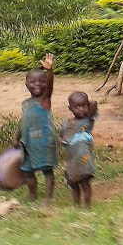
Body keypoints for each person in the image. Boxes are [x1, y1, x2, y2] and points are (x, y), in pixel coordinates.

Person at [13, 53, 58, 205]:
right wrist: (16, 137)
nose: (37, 84)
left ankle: (48, 198)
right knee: (27, 170)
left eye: (42, 81)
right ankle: (32, 196)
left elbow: (50, 87)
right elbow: (24, 122)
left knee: (47, 170)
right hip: (28, 143)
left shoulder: (45, 99)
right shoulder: (26, 103)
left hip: (44, 141)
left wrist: (49, 71)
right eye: (33, 82)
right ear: (27, 86)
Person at [59, 91, 98, 210]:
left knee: (85, 184)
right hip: (72, 160)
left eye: (84, 106)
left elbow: (94, 104)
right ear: (70, 108)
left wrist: (88, 102)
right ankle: (76, 205)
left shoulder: (88, 120)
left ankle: (87, 206)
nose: (82, 109)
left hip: (84, 160)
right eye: (77, 107)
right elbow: (60, 135)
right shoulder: (66, 124)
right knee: (74, 184)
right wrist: (60, 140)